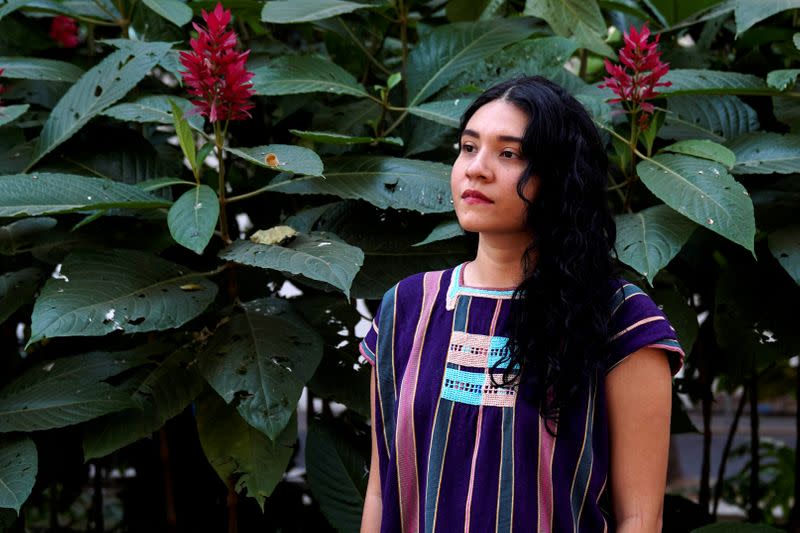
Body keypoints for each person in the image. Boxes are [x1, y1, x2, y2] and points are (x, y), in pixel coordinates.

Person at [359, 76, 683, 533]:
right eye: (468, 147)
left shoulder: (621, 319)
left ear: (560, 175)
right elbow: (380, 488)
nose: (477, 168)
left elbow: (640, 518)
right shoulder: (406, 308)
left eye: (508, 154)